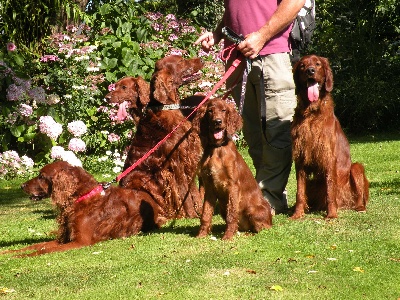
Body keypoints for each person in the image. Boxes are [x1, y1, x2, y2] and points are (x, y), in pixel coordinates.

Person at [195, 0, 306, 214]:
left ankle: (268, 200)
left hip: (271, 55)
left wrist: (262, 36)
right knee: (253, 133)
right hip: (237, 57)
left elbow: (294, 2)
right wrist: (217, 34)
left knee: (276, 131)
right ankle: (258, 195)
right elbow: (235, 10)